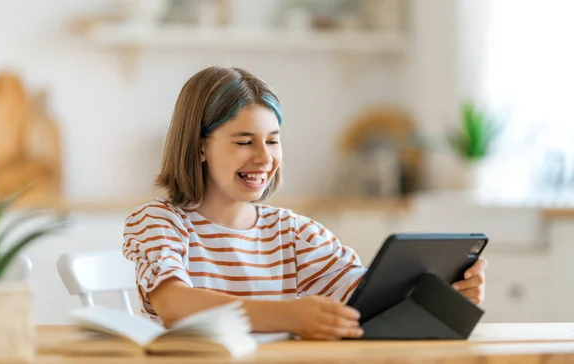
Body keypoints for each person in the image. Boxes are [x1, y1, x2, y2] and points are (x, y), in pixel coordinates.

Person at [122, 66, 487, 340]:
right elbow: (174, 305)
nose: (264, 158)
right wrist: (288, 316)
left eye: (273, 140)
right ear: (199, 146)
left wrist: (443, 296)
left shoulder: (292, 232)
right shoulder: (160, 222)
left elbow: (365, 300)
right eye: (244, 141)